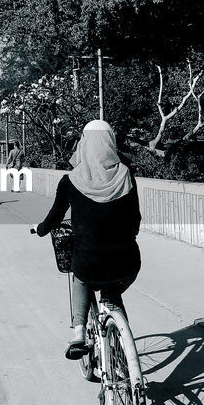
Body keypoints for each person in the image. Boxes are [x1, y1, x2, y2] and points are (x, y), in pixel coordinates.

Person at [34, 120, 141, 359]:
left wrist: (41, 230)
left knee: (80, 277)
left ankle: (79, 334)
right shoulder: (126, 175)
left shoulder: (71, 181)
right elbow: (135, 220)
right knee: (113, 293)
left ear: (84, 143)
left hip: (90, 262)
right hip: (127, 262)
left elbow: (54, 217)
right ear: (110, 141)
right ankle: (122, 344)